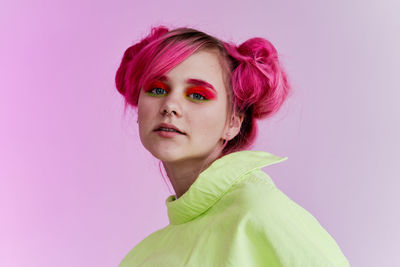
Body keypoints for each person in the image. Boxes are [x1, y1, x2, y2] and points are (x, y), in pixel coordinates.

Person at [115, 25, 350, 267]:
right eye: (157, 89)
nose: (170, 105)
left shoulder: (258, 212)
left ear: (233, 122)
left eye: (197, 95)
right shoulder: (140, 257)